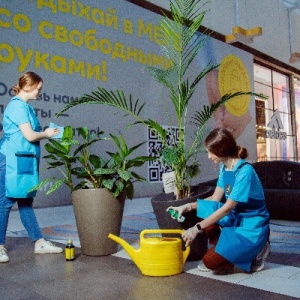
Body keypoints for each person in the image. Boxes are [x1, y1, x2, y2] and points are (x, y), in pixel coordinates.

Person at [168, 128, 270, 274]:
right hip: (235, 216)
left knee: (209, 262)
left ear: (222, 150)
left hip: (251, 224)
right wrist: (187, 206)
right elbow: (215, 198)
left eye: (211, 152)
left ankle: (260, 248)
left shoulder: (244, 171)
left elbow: (227, 208)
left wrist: (195, 229)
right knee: (203, 208)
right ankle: (225, 255)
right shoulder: (225, 168)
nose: (209, 156)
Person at [0, 71, 63, 263]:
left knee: (25, 201)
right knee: (5, 203)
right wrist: (47, 133)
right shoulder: (17, 106)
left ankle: (39, 242)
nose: (39, 92)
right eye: (38, 88)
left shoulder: (26, 107)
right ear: (28, 86)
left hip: (24, 160)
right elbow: (29, 136)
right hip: (11, 161)